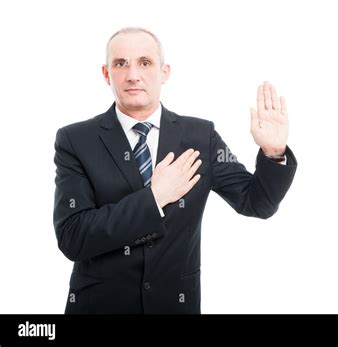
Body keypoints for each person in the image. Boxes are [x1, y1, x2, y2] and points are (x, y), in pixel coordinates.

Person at [53, 27, 298, 314]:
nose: (133, 75)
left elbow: (256, 202)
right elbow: (73, 237)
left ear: (164, 72)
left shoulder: (200, 136)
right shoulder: (76, 140)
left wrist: (273, 153)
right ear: (107, 74)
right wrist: (154, 198)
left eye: (145, 63)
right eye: (121, 64)